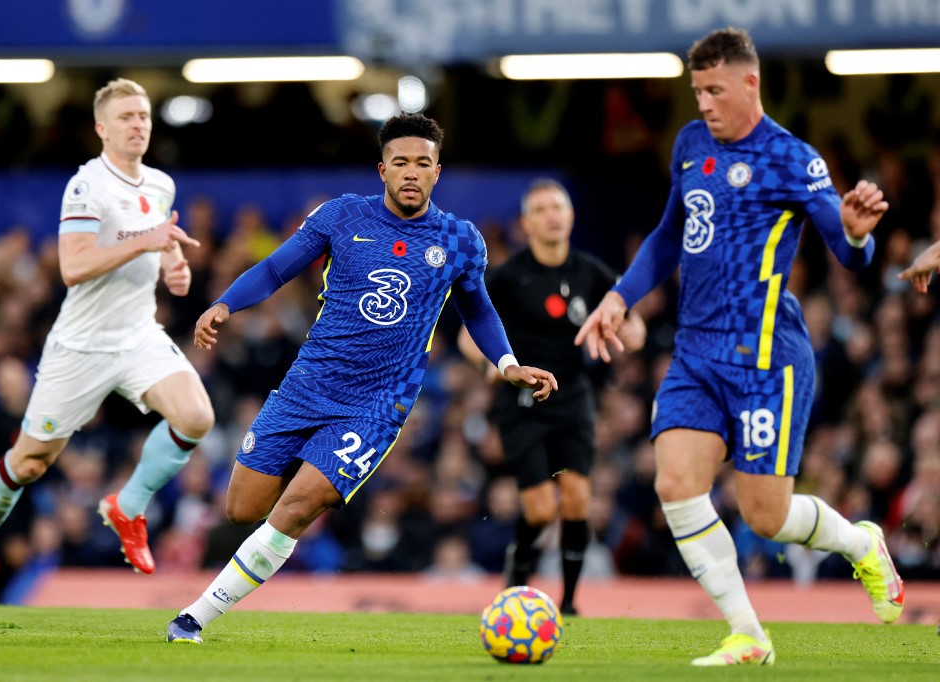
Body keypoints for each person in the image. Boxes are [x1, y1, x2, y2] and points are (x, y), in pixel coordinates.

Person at [574, 28, 902, 666]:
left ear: (750, 83)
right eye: (697, 91)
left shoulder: (791, 157)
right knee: (675, 481)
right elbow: (670, 234)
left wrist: (859, 236)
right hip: (696, 353)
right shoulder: (692, 144)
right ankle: (747, 632)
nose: (703, 104)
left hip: (766, 360)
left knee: (765, 516)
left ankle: (861, 544)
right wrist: (620, 295)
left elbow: (845, 249)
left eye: (714, 90)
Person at [166, 113, 558, 644]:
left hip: (377, 404)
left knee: (298, 506)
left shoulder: (459, 240)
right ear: (383, 169)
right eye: (401, 163)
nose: (412, 173)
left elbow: (478, 312)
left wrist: (507, 364)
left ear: (437, 172)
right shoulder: (341, 216)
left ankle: (193, 618)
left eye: (423, 163)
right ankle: (296, 483)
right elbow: (277, 268)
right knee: (243, 509)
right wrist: (225, 304)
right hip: (308, 385)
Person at [0, 79, 215, 617]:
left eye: (143, 115)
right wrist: (146, 242)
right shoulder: (86, 187)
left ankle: (129, 504)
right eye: (125, 118)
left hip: (137, 334)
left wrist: (173, 266)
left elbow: (156, 242)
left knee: (196, 416)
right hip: (82, 346)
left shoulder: (160, 184)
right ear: (101, 129)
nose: (138, 124)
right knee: (29, 463)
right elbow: (73, 266)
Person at [457, 179, 645, 615]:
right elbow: (471, 333)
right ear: (525, 224)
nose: (551, 215)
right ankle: (515, 585)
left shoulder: (592, 273)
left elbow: (631, 324)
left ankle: (571, 603)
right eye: (540, 209)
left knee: (579, 497)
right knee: (541, 510)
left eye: (557, 206)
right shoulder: (507, 277)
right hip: (522, 402)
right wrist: (490, 363)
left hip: (574, 397)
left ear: (571, 216)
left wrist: (629, 334)